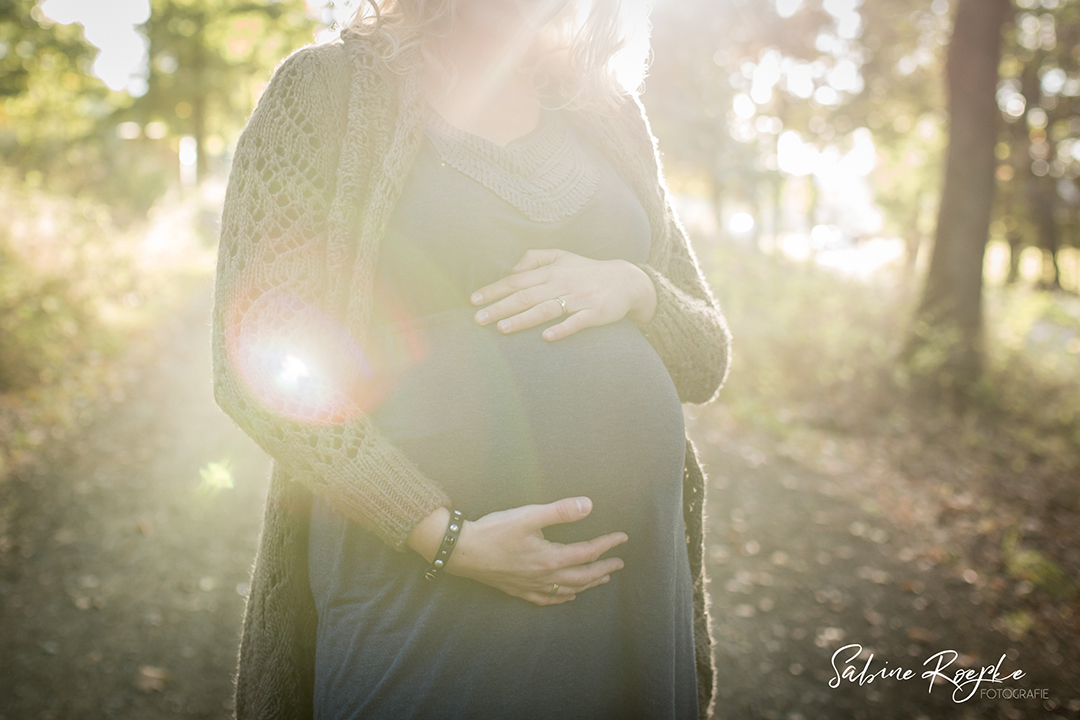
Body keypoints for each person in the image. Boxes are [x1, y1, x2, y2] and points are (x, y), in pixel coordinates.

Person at [211, 1, 733, 718]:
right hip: (417, 578)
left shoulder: (605, 109)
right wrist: (445, 538)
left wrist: (636, 286)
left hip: (626, 590)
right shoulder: (326, 89)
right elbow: (257, 360)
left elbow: (705, 356)